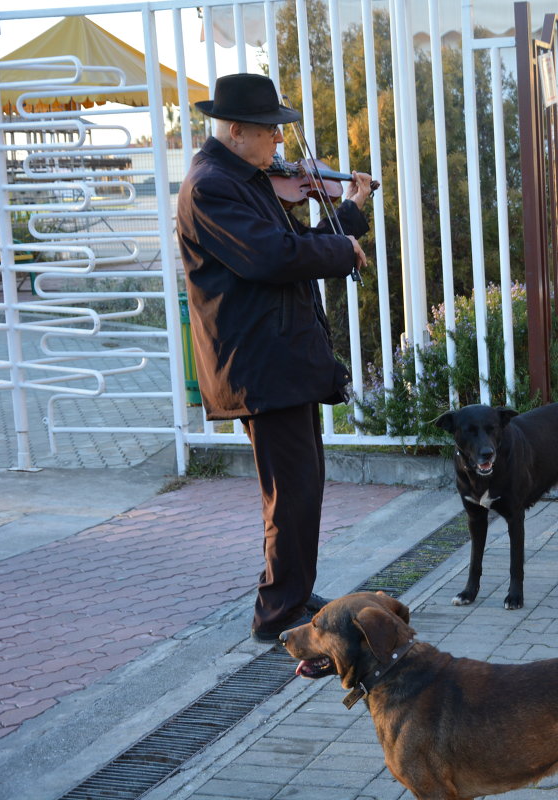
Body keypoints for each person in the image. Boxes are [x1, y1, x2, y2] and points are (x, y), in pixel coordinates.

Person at [176, 73, 374, 643]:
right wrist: (340, 243)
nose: (280, 145)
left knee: (302, 488)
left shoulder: (246, 176)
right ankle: (277, 614)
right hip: (258, 363)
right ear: (235, 129)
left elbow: (298, 250)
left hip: (279, 358)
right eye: (270, 132)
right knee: (289, 493)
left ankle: (291, 592)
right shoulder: (212, 186)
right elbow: (272, 256)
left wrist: (349, 214)